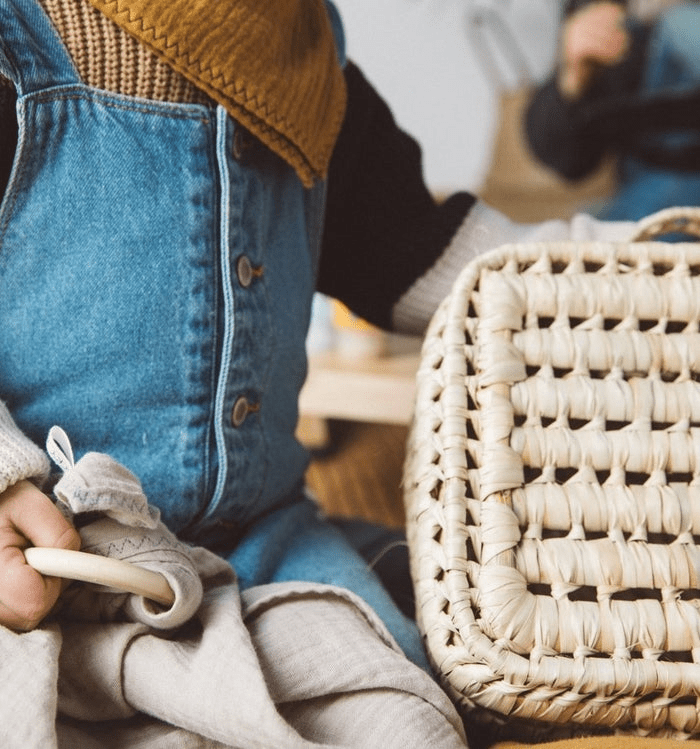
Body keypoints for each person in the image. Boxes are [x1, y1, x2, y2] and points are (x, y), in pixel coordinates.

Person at [0, 0, 637, 742]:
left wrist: (629, 273)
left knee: (410, 723)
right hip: (58, 563)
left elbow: (424, 253)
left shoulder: (303, 61)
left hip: (265, 551)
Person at [525, 0, 700, 220]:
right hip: (666, 177)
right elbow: (565, 157)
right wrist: (572, 75)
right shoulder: (612, 22)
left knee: (681, 20)